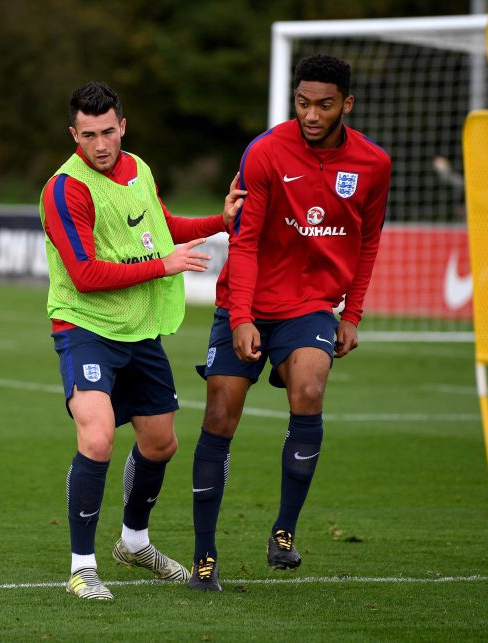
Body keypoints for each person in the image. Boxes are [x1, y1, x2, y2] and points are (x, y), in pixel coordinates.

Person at [188, 55, 391, 591]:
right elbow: (245, 240)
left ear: (346, 103)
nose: (312, 114)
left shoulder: (373, 164)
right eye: (303, 103)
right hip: (247, 299)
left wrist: (353, 313)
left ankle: (283, 532)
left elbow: (368, 241)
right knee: (220, 414)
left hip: (310, 307)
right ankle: (204, 557)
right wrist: (241, 316)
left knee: (309, 387)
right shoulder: (265, 151)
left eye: (324, 104)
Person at [40, 81, 246, 600]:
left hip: (138, 328)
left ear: (123, 126)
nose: (101, 144)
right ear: (74, 135)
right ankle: (82, 568)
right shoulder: (65, 190)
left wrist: (219, 223)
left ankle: (134, 543)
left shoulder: (141, 170)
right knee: (98, 437)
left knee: (160, 443)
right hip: (85, 326)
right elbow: (84, 275)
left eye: (108, 131)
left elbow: (165, 227)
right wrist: (164, 266)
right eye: (88, 135)